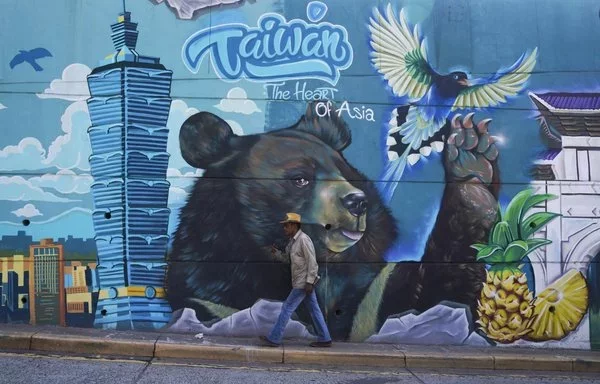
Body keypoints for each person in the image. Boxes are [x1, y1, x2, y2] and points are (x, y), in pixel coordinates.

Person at [260, 213, 332, 348]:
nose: (284, 229)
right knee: (314, 309)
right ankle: (325, 338)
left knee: (287, 308)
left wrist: (310, 282)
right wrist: (276, 253)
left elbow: (312, 262)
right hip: (302, 283)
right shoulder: (292, 242)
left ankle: (274, 338)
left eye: (286, 226)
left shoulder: (304, 240)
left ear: (294, 225)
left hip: (303, 283)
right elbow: (288, 259)